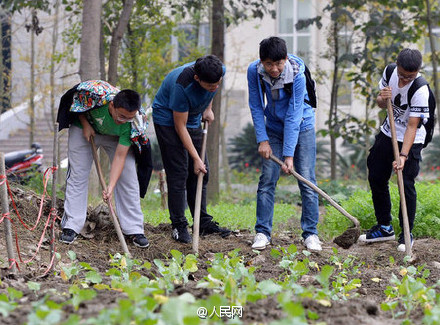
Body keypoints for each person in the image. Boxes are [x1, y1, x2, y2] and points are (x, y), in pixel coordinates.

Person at [247, 36, 321, 251]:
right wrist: (263, 140)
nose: (274, 69)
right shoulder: (255, 71)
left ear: (286, 59)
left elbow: (294, 114)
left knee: (307, 179)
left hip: (302, 124)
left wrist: (288, 156)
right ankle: (262, 232)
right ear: (261, 61)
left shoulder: (297, 71)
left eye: (278, 63)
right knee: (267, 179)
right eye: (269, 64)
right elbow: (255, 105)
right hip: (273, 127)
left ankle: (311, 234)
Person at [59, 80, 149, 248]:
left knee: (129, 177)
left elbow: (120, 156)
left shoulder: (135, 123)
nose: (124, 120)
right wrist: (85, 124)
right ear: (112, 105)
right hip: (84, 128)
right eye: (121, 116)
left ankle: (134, 228)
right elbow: (76, 103)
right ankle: (71, 225)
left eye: (128, 118)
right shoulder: (96, 97)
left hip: (115, 137)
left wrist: (110, 186)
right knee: (78, 174)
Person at [152, 55, 232, 243]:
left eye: (217, 83)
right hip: (168, 120)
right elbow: (180, 126)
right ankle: (179, 225)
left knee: (201, 172)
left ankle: (202, 221)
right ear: (198, 79)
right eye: (210, 85)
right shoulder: (182, 86)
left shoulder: (219, 70)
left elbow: (211, 92)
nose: (215, 87)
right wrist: (196, 158)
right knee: (179, 172)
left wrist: (208, 108)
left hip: (194, 116)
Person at [359, 48, 429, 252]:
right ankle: (384, 227)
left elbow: (412, 126)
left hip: (411, 139)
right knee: (376, 176)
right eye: (402, 75)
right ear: (397, 66)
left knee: (406, 183)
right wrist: (383, 96)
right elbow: (381, 104)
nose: (405, 80)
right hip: (388, 132)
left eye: (411, 76)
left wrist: (403, 155)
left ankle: (407, 233)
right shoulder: (389, 72)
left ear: (417, 71)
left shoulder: (420, 89)